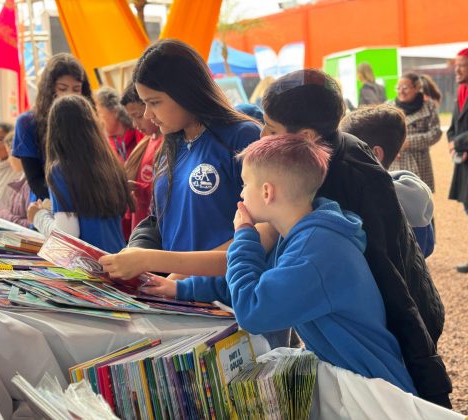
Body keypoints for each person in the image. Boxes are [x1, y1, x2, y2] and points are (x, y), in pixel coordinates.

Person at [141, 133, 417, 395]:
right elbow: (256, 281)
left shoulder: (315, 251)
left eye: (244, 184)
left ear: (267, 192)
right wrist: (181, 289)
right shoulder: (304, 233)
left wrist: (244, 236)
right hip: (353, 379)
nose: (241, 194)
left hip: (375, 392)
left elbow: (253, 312)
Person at [250, 69, 450, 407]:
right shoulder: (340, 147)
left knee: (407, 403)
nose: (262, 135)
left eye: (270, 128)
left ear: (307, 136)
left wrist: (428, 377)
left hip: (387, 334)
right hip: (384, 324)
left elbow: (390, 275)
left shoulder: (334, 183)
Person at [126, 39, 261, 255]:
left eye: (154, 102)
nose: (148, 114)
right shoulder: (169, 148)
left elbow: (265, 229)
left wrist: (177, 268)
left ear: (185, 91)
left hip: (228, 277)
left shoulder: (242, 137)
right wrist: (136, 250)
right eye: (145, 103)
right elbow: (158, 221)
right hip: (171, 277)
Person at [27, 95, 133, 253]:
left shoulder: (61, 170)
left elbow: (68, 235)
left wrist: (38, 216)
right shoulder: (109, 164)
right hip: (117, 258)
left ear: (54, 129)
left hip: (88, 264)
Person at [340, 105, 435, 257]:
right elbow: (428, 248)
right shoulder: (417, 196)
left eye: (348, 148)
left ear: (375, 154)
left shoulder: (360, 198)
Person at [12, 53, 95, 201]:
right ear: (50, 89)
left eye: (76, 89)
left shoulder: (89, 119)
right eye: (63, 89)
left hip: (88, 202)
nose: (70, 95)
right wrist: (67, 203)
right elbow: (35, 180)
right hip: (48, 205)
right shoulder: (27, 123)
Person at [120, 82, 164, 232]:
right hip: (142, 222)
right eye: (132, 117)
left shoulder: (165, 143)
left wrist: (140, 189)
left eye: (138, 116)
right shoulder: (149, 140)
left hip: (155, 226)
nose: (134, 124)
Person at [388, 72, 442, 192]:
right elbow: (381, 132)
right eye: (398, 88)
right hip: (395, 163)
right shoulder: (389, 107)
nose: (401, 92)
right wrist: (390, 146)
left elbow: (436, 133)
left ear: (417, 88)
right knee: (397, 197)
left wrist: (408, 142)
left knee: (422, 197)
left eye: (405, 88)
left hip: (420, 162)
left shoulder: (428, 106)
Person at [448, 48, 468, 273]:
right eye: (457, 65)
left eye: (462, 65)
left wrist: (458, 142)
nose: (457, 70)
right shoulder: (461, 91)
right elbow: (453, 126)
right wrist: (452, 141)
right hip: (463, 163)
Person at [95, 86, 144, 163]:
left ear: (115, 110)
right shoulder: (104, 145)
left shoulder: (140, 130)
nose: (97, 119)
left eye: (98, 112)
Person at [0, 131, 31, 227]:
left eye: (9, 154)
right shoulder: (20, 183)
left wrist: (4, 215)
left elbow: (33, 226)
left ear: (19, 154)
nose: (8, 160)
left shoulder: (30, 186)